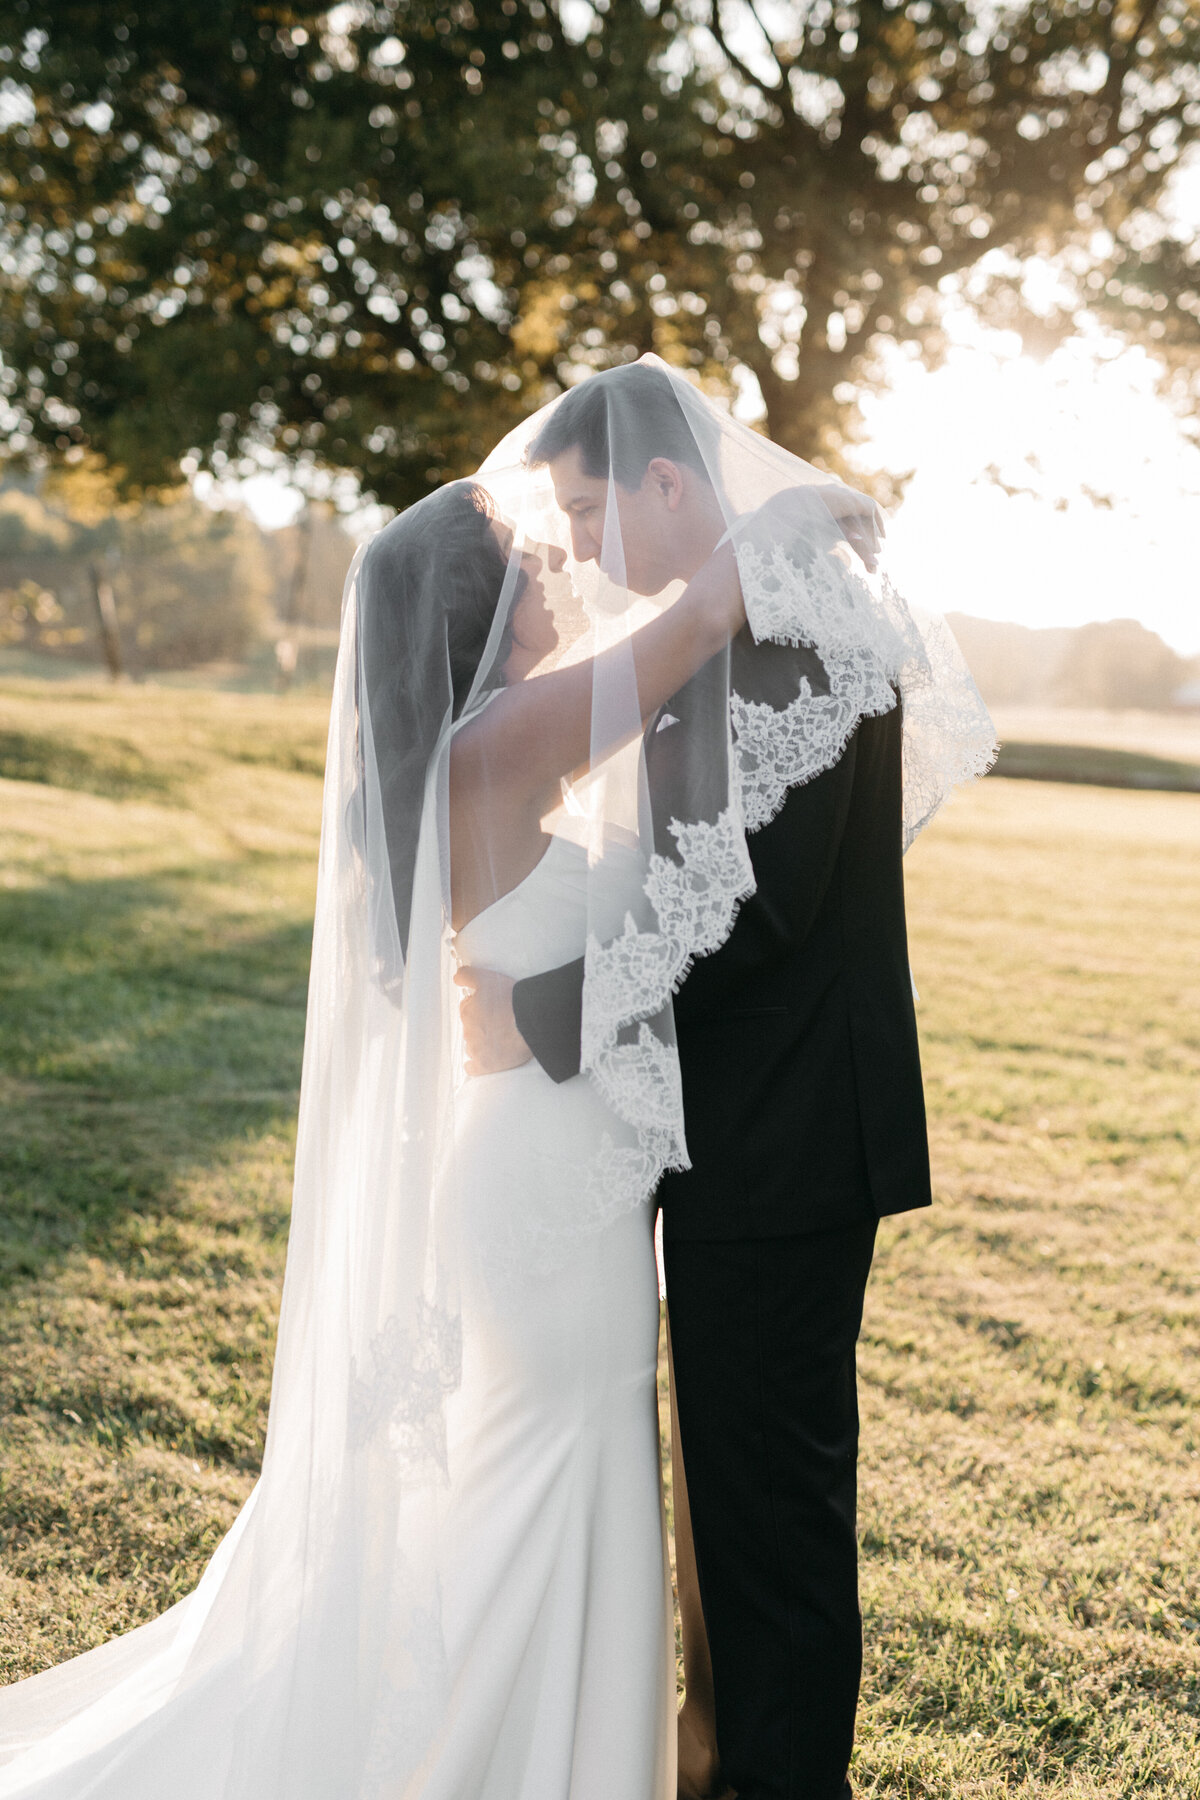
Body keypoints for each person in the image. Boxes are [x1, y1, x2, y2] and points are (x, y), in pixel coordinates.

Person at [458, 359, 996, 1800]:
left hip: (786, 1143)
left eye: (587, 511)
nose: (575, 546)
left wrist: (541, 1014)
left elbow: (745, 914)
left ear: (670, 486)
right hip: (755, 1134)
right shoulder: (735, 617)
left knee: (768, 1529)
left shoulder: (787, 629)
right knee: (733, 1516)